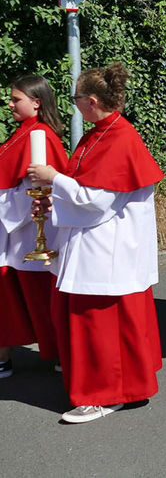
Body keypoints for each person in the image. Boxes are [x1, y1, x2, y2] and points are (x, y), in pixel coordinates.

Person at [28, 63, 164, 424]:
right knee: (101, 323)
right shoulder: (98, 134)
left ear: (91, 101)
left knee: (100, 324)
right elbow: (88, 193)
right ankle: (119, 388)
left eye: (75, 99)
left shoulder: (120, 137)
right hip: (95, 241)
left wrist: (53, 178)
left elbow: (98, 202)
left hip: (108, 247)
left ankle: (105, 395)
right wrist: (55, 200)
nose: (73, 106)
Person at [0, 75, 68, 378]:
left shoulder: (41, 135)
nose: (10, 104)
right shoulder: (22, 132)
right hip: (14, 230)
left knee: (40, 294)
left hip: (30, 230)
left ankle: (60, 353)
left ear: (36, 103)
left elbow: (40, 191)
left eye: (17, 99)